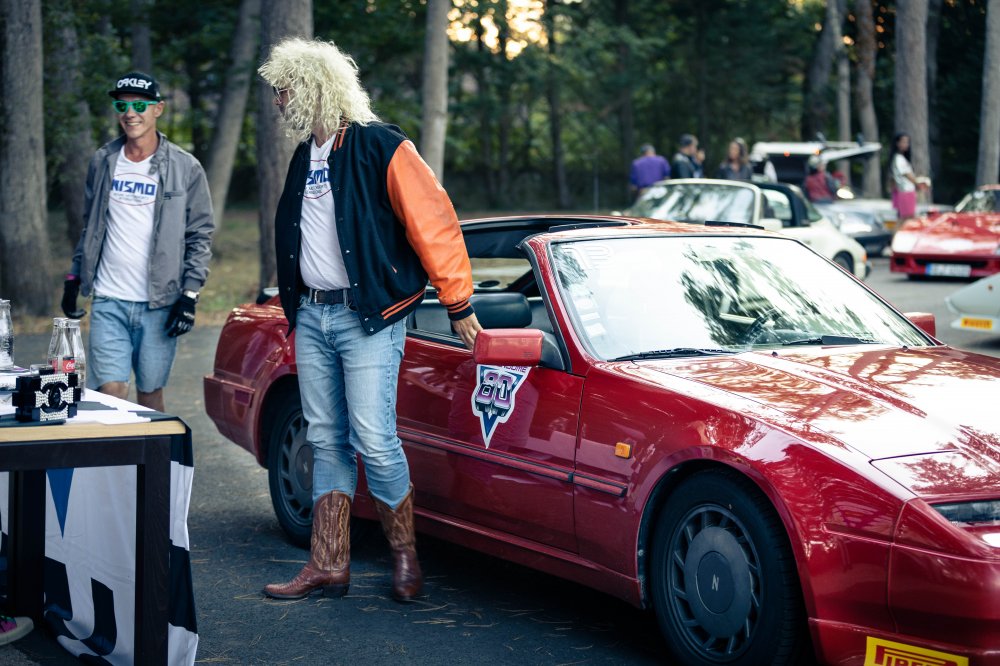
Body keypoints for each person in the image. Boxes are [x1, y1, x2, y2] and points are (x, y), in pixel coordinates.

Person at [258, 38, 482, 603]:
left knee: (375, 439)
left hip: (368, 320)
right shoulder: (303, 157)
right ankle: (328, 563)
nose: (279, 102)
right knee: (325, 438)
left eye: (284, 90)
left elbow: (434, 222)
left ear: (314, 88)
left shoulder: (382, 145)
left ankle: (405, 556)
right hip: (313, 315)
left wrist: (458, 301)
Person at [61, 71, 215, 412]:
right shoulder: (104, 161)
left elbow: (200, 234)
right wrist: (74, 277)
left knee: (150, 397)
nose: (130, 113)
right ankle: (115, 451)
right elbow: (90, 227)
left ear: (157, 109)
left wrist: (189, 296)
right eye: (122, 106)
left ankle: (152, 450)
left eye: (140, 106)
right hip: (109, 300)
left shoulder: (185, 167)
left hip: (159, 303)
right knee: (111, 393)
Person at [889, 131, 928, 221]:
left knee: (905, 218)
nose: (906, 144)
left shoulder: (901, 158)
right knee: (906, 218)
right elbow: (907, 174)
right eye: (903, 142)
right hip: (906, 191)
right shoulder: (898, 158)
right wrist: (919, 184)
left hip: (905, 191)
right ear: (897, 143)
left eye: (907, 142)